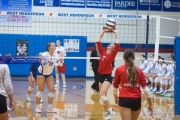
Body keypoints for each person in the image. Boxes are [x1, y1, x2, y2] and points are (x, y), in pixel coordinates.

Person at [113, 49, 153, 120]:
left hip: (124, 99)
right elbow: (146, 90)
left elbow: (115, 86)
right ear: (134, 58)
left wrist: (115, 97)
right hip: (136, 100)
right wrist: (150, 104)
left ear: (123, 58)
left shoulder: (119, 69)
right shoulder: (139, 70)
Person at [96, 29, 119, 120]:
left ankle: (111, 111)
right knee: (102, 96)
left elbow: (118, 44)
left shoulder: (113, 54)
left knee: (102, 94)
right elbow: (98, 41)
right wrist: (104, 31)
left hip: (107, 77)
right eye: (110, 44)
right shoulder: (103, 52)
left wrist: (116, 33)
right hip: (100, 76)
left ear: (113, 48)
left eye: (113, 45)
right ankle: (107, 113)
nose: (111, 44)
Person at [35, 42, 64, 113]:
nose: (54, 46)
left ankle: (49, 107)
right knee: (40, 90)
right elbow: (40, 62)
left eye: (54, 45)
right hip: (41, 73)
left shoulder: (56, 55)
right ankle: (37, 107)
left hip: (49, 74)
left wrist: (61, 59)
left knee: (52, 90)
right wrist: (47, 61)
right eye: (52, 45)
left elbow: (60, 65)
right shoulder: (45, 54)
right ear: (49, 48)